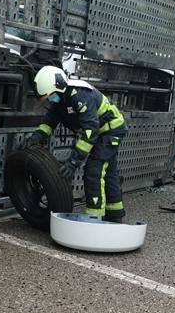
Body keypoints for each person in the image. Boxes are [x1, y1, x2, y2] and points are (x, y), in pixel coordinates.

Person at [27, 65, 128, 222]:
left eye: (50, 96)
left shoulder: (80, 95)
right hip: (100, 132)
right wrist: (36, 137)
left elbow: (90, 132)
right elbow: (49, 121)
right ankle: (115, 215)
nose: (49, 101)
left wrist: (73, 162)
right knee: (109, 173)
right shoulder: (60, 101)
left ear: (58, 87)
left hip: (110, 131)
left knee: (94, 171)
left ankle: (95, 219)